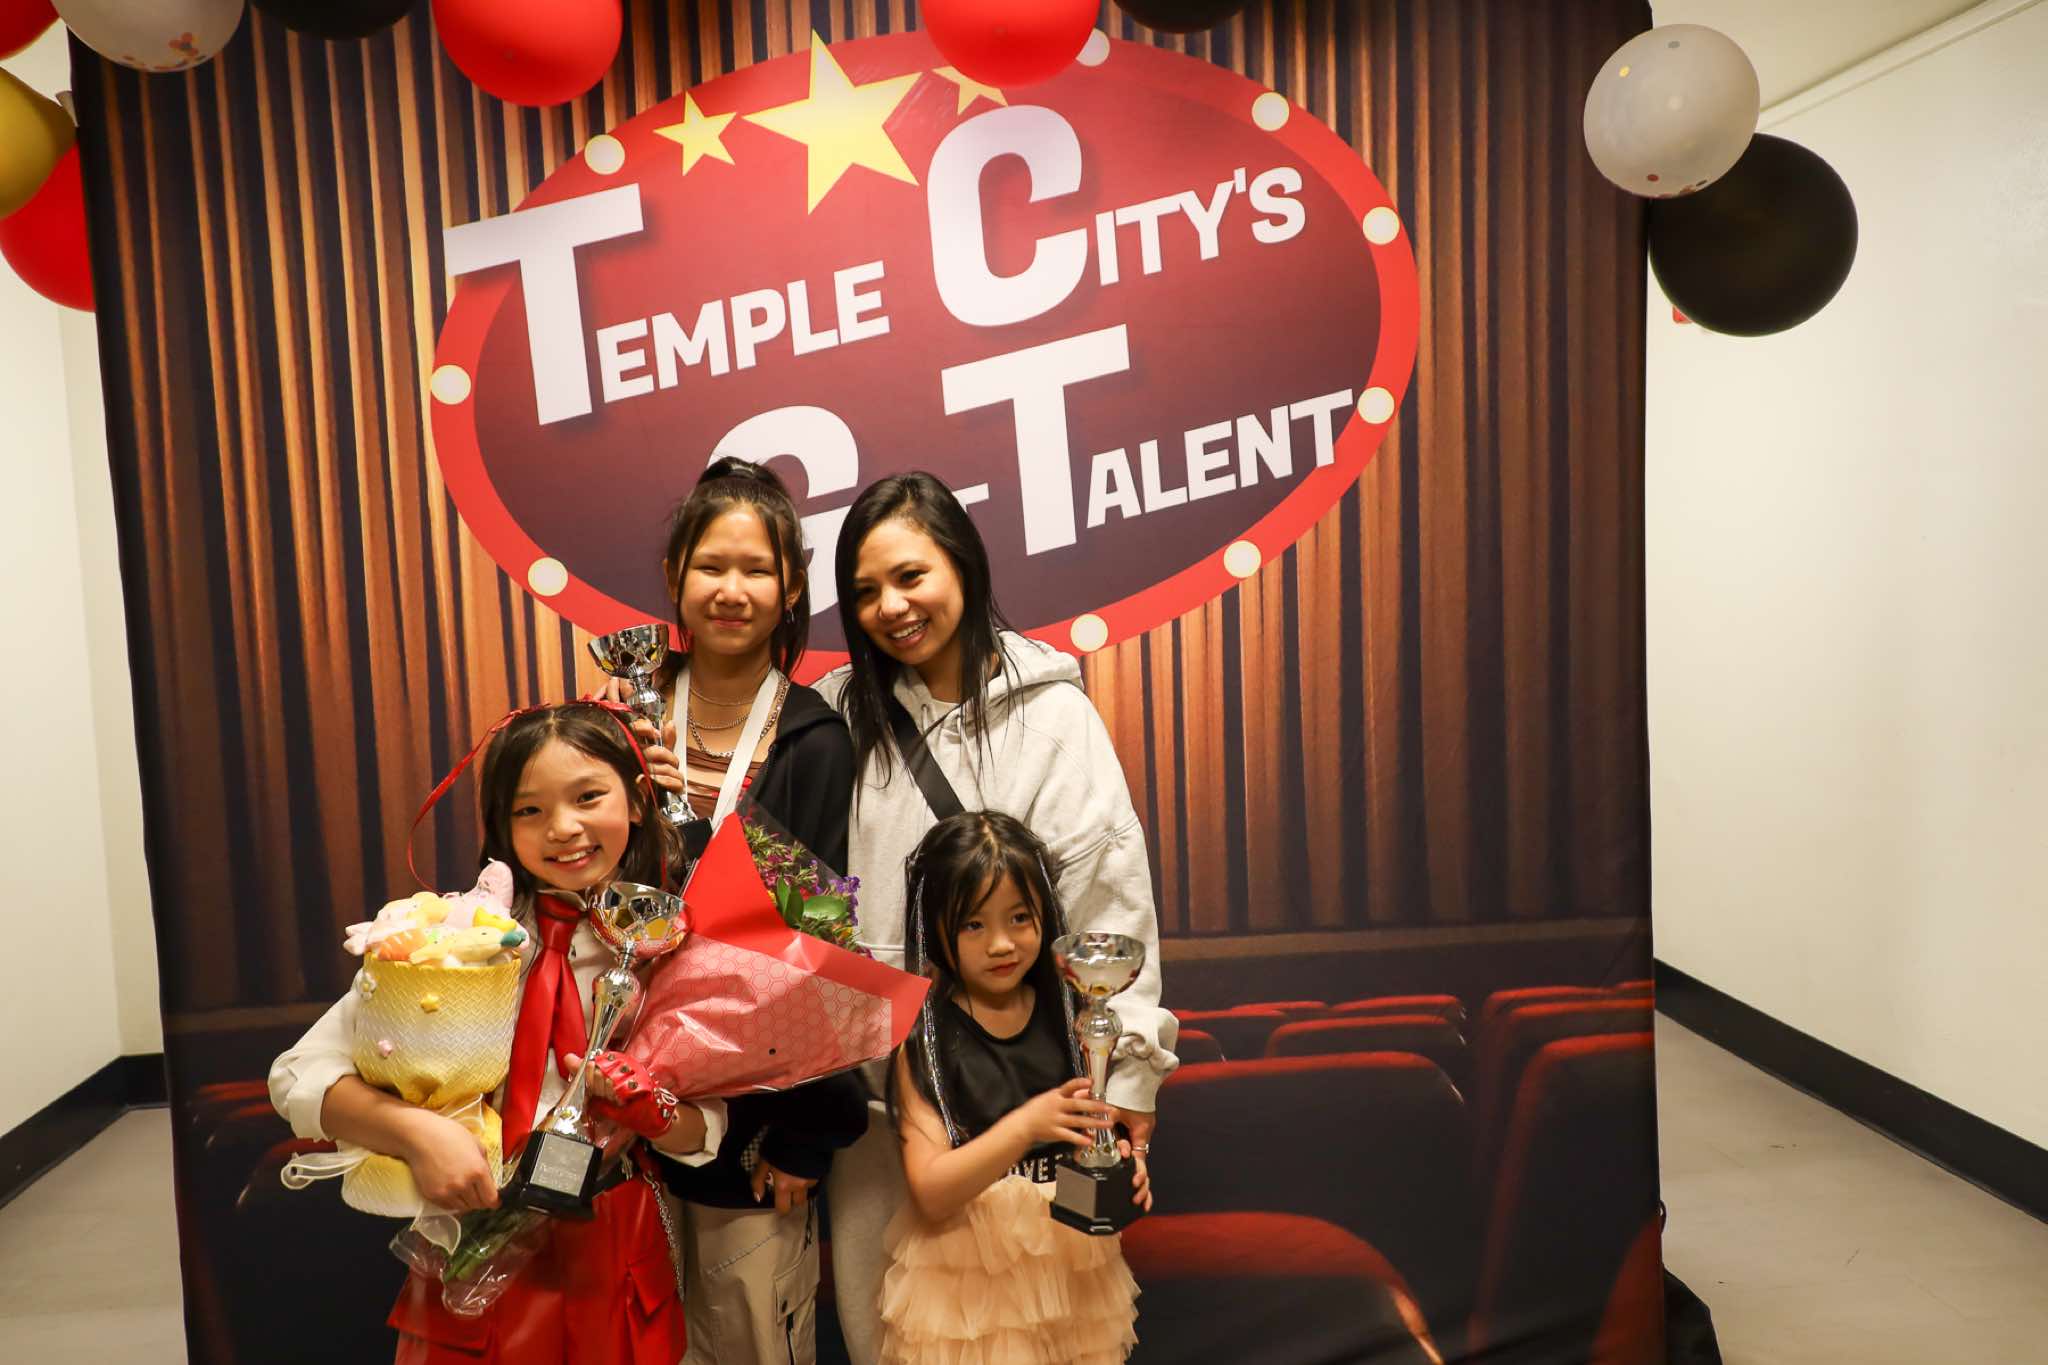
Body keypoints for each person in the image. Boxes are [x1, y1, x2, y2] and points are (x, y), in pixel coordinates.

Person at [817, 472, 1177, 1361]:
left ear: (964, 566)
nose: (891, 607)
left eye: (911, 575)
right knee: (893, 1341)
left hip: (1030, 1100)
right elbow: (799, 902)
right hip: (885, 1116)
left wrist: (1127, 1080)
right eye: (865, 591)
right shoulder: (836, 720)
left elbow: (1111, 906)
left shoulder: (1056, 717)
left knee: (1043, 1336)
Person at [268, 702, 724, 1363]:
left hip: (614, 1249)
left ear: (635, 800)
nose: (562, 828)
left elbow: (705, 1130)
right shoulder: (456, 939)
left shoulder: (669, 945)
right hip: (469, 1247)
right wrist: (419, 1134)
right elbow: (296, 1075)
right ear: (502, 827)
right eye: (528, 809)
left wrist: (650, 1110)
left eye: (588, 797)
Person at [622, 455, 868, 1365]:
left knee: (748, 1340)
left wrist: (807, 1134)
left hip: (755, 1133)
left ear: (792, 587)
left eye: (756, 569)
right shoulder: (625, 720)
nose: (731, 590)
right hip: (617, 1123)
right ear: (674, 576)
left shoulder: (813, 742)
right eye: (711, 566)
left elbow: (813, 942)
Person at [880, 810, 1144, 1364]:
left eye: (1020, 917)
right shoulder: (927, 1042)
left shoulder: (1070, 1016)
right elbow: (930, 1193)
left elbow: (1091, 1137)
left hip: (1073, 1272)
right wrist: (1024, 1127)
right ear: (936, 928)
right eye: (973, 925)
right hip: (969, 1291)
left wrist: (1124, 1163)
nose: (1002, 944)